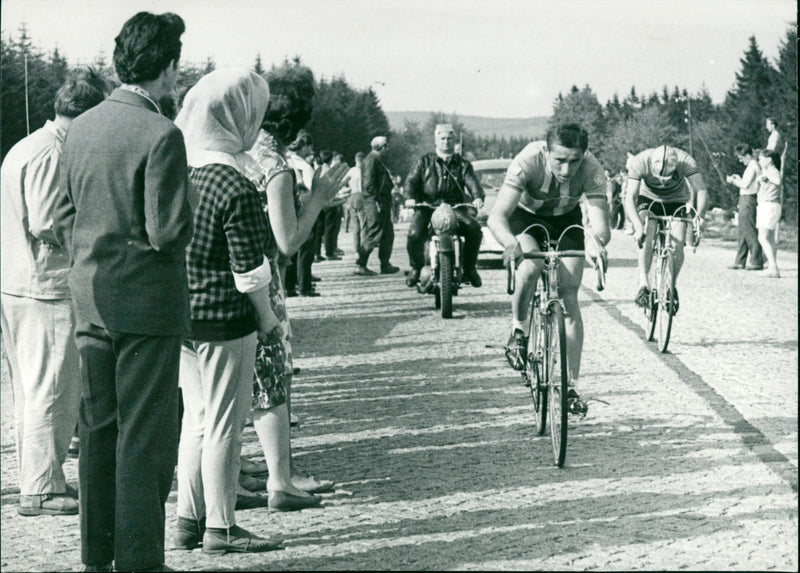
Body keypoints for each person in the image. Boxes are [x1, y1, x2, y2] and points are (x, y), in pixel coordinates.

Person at [52, 12, 194, 573]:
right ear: (166, 67)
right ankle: (139, 561)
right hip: (146, 307)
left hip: (90, 299)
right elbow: (167, 231)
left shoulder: (81, 126)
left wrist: (94, 253)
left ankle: (97, 556)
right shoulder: (162, 133)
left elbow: (62, 214)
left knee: (97, 427)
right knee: (143, 436)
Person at [1, 67, 107, 518]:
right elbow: (47, 221)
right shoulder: (50, 153)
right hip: (43, 286)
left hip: (19, 283)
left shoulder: (29, 146)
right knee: (52, 390)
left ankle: (37, 478)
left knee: (30, 390)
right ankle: (42, 488)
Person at [245, 71, 347, 503]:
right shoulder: (277, 166)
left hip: (226, 276)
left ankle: (235, 473)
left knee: (234, 386)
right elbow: (286, 241)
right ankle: (280, 481)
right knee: (270, 377)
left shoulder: (241, 149)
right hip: (261, 279)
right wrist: (319, 198)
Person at [487, 123, 609, 415]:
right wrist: (509, 245)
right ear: (547, 151)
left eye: (574, 161)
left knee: (569, 298)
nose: (567, 170)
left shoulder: (592, 169)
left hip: (566, 220)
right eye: (560, 161)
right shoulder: (528, 160)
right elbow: (497, 217)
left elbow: (600, 223)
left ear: (584, 155)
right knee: (529, 268)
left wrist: (597, 243)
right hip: (524, 218)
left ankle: (570, 387)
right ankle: (519, 330)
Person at [624, 144, 708, 314]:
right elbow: (630, 198)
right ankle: (643, 283)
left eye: (667, 178)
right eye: (659, 178)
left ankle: (671, 286)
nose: (662, 183)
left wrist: (699, 216)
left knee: (677, 243)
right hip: (648, 198)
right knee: (648, 228)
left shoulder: (686, 161)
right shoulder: (640, 161)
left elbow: (701, 190)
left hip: (676, 200)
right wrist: (637, 226)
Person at [404, 123, 484, 288]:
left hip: (455, 207)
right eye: (442, 138)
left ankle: (470, 268)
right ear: (436, 139)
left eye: (449, 138)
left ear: (454, 140)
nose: (446, 142)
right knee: (414, 233)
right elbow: (411, 182)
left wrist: (477, 196)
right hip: (428, 207)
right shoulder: (423, 162)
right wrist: (409, 197)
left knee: (474, 228)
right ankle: (416, 268)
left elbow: (473, 183)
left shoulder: (463, 164)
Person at [355, 136, 400, 276]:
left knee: (387, 234)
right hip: (375, 202)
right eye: (386, 146)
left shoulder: (375, 160)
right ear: (380, 147)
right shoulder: (371, 160)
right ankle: (360, 264)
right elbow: (369, 185)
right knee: (374, 233)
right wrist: (377, 201)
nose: (388, 148)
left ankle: (385, 264)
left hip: (381, 202)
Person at [284, 130, 320, 296]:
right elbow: (308, 191)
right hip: (302, 209)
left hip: (287, 209)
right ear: (303, 147)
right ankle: (304, 285)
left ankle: (289, 286)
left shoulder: (286, 161)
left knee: (290, 249)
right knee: (306, 250)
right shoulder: (305, 166)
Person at [726, 144, 764, 270]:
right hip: (745, 199)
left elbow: (746, 185)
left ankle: (756, 261)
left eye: (741, 158)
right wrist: (739, 179)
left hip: (749, 199)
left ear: (748, 155)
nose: (740, 160)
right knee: (742, 231)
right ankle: (740, 261)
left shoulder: (753, 166)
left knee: (749, 230)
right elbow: (746, 182)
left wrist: (733, 181)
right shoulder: (751, 166)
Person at [755, 149, 783, 278]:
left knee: (762, 237)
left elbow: (777, 181)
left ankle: (773, 267)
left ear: (769, 159)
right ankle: (772, 267)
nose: (759, 161)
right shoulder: (767, 172)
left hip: (768, 205)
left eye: (761, 158)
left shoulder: (773, 171)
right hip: (769, 205)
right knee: (770, 239)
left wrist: (766, 177)